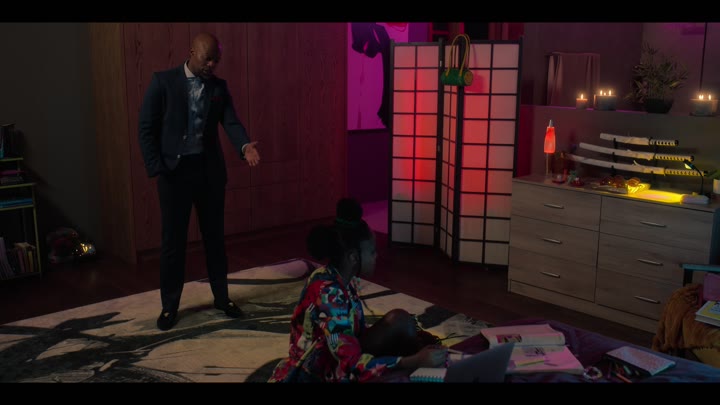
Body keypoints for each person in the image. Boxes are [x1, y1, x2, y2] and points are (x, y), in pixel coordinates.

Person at [138, 32, 261, 331]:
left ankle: (222, 299)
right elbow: (146, 128)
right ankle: (170, 306)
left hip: (208, 173)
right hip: (174, 174)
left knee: (214, 239)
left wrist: (245, 146)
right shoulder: (162, 82)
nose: (211, 65)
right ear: (192, 52)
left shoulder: (219, 87)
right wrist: (157, 168)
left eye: (216, 60)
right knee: (173, 243)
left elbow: (231, 121)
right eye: (207, 59)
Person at [268, 198, 447, 382]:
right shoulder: (329, 293)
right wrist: (413, 361)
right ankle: (414, 363)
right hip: (315, 373)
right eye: (372, 251)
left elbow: (352, 334)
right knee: (394, 372)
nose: (376, 256)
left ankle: (416, 360)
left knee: (400, 320)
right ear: (353, 257)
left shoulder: (340, 279)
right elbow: (350, 365)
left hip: (337, 355)